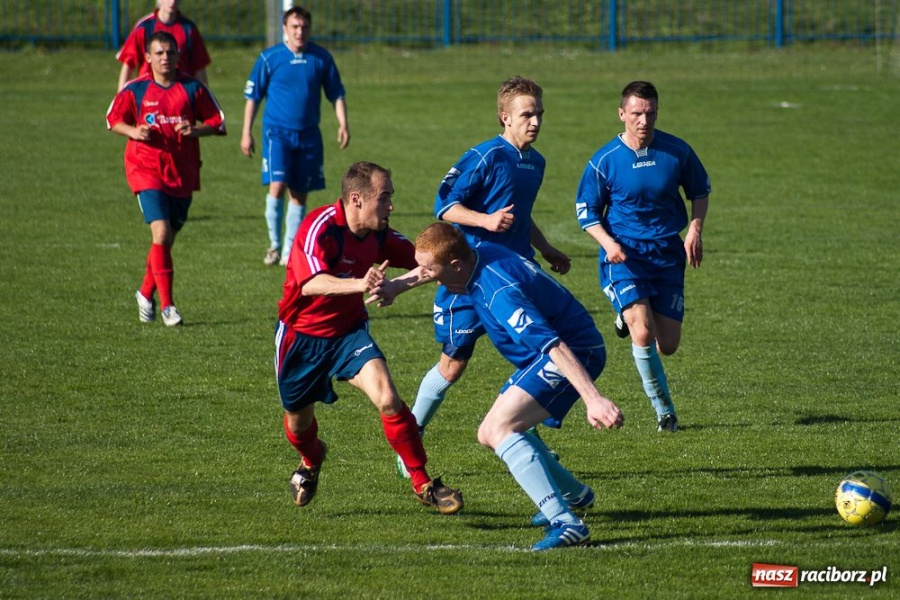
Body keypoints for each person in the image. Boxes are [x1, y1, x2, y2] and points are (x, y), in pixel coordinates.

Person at [414, 222, 624, 550]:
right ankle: (575, 496)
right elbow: (435, 267)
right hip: (551, 354)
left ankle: (566, 523)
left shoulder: (498, 293)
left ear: (455, 265)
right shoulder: (478, 254)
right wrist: (396, 287)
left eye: (430, 270)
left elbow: (554, 345)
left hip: (572, 353)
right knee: (503, 430)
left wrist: (593, 399)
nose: (426, 276)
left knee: (497, 430)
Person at [401, 77, 571, 476]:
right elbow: (444, 207)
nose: (535, 122)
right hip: (470, 277)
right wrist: (485, 220)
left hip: (513, 280)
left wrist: (545, 248)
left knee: (537, 359)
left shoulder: (536, 162)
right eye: (526, 115)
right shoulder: (485, 156)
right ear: (505, 117)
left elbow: (520, 216)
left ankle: (525, 435)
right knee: (452, 365)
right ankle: (409, 439)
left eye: (539, 114)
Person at [275, 161, 463, 515]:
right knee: (298, 427)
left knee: (389, 398)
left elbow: (429, 262)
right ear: (357, 199)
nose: (392, 206)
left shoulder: (380, 235)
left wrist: (400, 285)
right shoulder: (321, 227)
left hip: (348, 334)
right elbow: (311, 283)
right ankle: (311, 459)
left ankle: (423, 483)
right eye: (386, 197)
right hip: (300, 339)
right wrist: (360, 284)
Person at [575, 80, 710, 432]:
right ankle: (665, 412)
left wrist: (695, 228)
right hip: (625, 256)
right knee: (643, 331)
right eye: (636, 113)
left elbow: (699, 191)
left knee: (668, 345)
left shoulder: (676, 151)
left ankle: (626, 314)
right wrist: (608, 243)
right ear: (622, 114)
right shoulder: (605, 160)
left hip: (666, 253)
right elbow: (586, 211)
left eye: (649, 113)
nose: (643, 121)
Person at [106, 31, 226, 327]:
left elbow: (218, 122)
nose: (165, 58)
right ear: (147, 58)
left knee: (167, 239)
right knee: (160, 233)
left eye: (170, 53)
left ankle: (145, 291)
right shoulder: (136, 89)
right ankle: (168, 306)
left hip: (182, 172)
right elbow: (112, 119)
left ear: (177, 56)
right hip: (145, 170)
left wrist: (196, 130)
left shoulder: (192, 88)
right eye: (159, 53)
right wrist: (133, 132)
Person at [242, 5, 350, 267]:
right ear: (285, 29)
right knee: (278, 185)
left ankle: (290, 249)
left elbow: (336, 93)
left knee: (299, 193)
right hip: (276, 133)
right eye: (295, 27)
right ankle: (274, 245)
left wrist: (343, 124)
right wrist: (246, 132)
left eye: (304, 27)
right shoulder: (270, 58)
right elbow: (253, 97)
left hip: (309, 135)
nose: (300, 32)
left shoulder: (321, 58)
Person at [115, 0, 211, 92]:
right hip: (149, 93)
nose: (172, 1)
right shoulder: (144, 27)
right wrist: (120, 96)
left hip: (180, 93)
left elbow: (199, 66)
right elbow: (128, 64)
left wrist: (205, 97)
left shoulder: (189, 28)